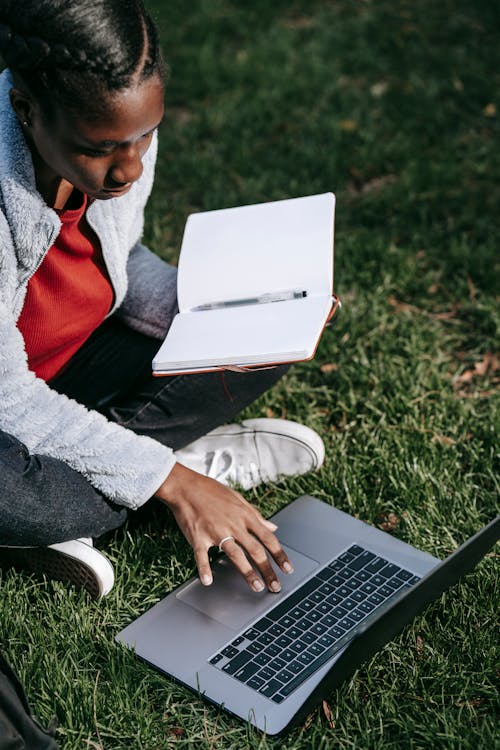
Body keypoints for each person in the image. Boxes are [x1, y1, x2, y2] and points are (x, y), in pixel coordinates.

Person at [0, 0, 325, 600]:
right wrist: (171, 481)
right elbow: (6, 396)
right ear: (26, 110)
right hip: (5, 409)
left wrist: (217, 305)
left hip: (65, 373)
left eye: (145, 134)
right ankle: (150, 472)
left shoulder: (119, 145)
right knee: (22, 493)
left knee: (260, 332)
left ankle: (92, 492)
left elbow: (118, 263)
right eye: (100, 148)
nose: (128, 168)